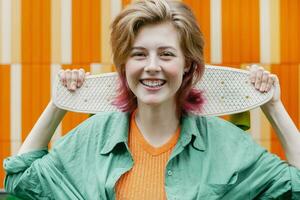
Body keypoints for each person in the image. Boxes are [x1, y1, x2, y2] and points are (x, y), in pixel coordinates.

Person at [3, 0, 300, 199]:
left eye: (167, 54)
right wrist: (58, 104)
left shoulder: (226, 144)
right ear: (124, 65)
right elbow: (20, 179)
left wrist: (272, 106)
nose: (152, 66)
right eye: (139, 54)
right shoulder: (93, 137)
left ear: (187, 64)